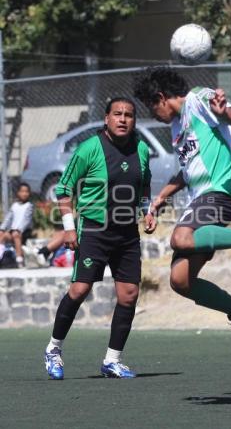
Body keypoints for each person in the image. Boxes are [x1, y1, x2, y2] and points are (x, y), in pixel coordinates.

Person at [134, 66, 231, 352]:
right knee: (180, 280)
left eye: (152, 108)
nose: (154, 115)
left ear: (162, 97)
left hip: (221, 189)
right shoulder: (178, 128)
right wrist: (159, 198)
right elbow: (186, 172)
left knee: (180, 237)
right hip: (201, 199)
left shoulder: (198, 99)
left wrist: (224, 113)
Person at [44, 97, 156, 380]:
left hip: (127, 232)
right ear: (106, 118)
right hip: (94, 229)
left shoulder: (142, 149)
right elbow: (64, 189)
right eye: (117, 114)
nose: (122, 119)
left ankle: (112, 361)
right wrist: (69, 228)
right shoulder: (89, 149)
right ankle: (54, 349)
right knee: (80, 290)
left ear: (134, 120)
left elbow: (144, 186)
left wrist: (146, 211)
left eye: (128, 115)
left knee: (129, 295)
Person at [0, 182, 34, 268]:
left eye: (26, 192)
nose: (24, 194)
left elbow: (27, 220)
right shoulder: (14, 205)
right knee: (2, 235)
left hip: (24, 232)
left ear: (29, 193)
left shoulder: (29, 205)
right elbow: (8, 218)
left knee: (15, 234)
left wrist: (19, 229)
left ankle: (19, 260)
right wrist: (2, 228)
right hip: (13, 231)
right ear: (18, 193)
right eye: (22, 191)